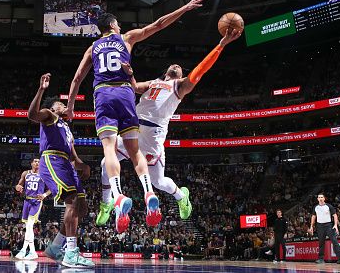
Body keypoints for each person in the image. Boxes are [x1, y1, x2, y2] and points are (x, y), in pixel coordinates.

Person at [66, 0, 204, 232]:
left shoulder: (93, 48)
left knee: (109, 151)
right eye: (118, 23)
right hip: (127, 98)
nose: (120, 26)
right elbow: (158, 24)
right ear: (112, 25)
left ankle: (120, 197)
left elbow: (78, 78)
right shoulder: (127, 40)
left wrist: (70, 106)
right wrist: (184, 8)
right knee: (126, 155)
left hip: (111, 99)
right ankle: (129, 197)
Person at [96, 28, 241, 227]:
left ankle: (182, 197)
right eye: (173, 65)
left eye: (180, 67)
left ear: (181, 75)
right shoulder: (155, 82)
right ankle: (107, 203)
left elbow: (200, 69)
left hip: (153, 135)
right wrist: (130, 74)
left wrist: (221, 45)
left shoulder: (180, 86)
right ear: (166, 72)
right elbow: (135, 88)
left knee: (159, 182)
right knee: (105, 163)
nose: (176, 66)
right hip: (134, 127)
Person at [28, 73, 94, 268]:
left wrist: (83, 164)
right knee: (71, 201)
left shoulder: (66, 126)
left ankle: (56, 247)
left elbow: (73, 154)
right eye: (61, 104)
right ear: (53, 106)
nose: (65, 106)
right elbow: (32, 115)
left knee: (81, 207)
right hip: (52, 159)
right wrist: (41, 89)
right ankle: (71, 252)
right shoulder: (49, 115)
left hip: (66, 162)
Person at [15, 158, 51, 260]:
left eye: (39, 162)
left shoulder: (44, 174)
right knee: (28, 226)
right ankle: (32, 251)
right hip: (27, 201)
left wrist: (44, 194)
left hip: (36, 201)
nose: (37, 163)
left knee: (30, 225)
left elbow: (53, 187)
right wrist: (17, 187)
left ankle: (24, 250)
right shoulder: (25, 173)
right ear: (31, 163)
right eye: (35, 161)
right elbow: (19, 184)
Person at [308, 193, 340, 264]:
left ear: (324, 198)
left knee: (334, 241)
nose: (320, 198)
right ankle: (321, 259)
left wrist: (335, 225)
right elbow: (313, 217)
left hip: (328, 225)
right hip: (319, 226)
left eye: (322, 197)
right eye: (319, 197)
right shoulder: (315, 207)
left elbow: (335, 215)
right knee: (321, 243)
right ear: (317, 199)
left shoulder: (329, 206)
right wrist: (311, 226)